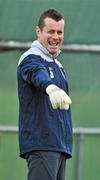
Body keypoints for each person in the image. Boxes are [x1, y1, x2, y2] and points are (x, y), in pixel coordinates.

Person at [17, 8, 73, 180]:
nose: (55, 37)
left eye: (59, 32)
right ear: (38, 31)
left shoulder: (58, 65)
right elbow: (36, 73)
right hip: (42, 144)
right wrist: (51, 88)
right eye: (51, 31)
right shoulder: (30, 58)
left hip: (59, 146)